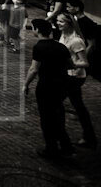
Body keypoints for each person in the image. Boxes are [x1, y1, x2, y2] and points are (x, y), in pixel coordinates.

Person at [26, 18, 73, 159]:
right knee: (58, 114)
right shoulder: (61, 46)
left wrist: (26, 84)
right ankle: (66, 146)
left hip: (46, 86)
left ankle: (51, 148)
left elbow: (34, 69)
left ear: (37, 30)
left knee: (46, 118)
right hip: (61, 85)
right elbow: (70, 65)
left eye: (33, 28)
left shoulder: (39, 47)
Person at [56, 13, 96, 148]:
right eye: (57, 21)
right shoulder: (63, 36)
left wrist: (71, 65)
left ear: (69, 23)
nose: (58, 24)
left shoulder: (76, 41)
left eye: (61, 22)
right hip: (68, 75)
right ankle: (89, 136)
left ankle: (61, 138)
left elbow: (85, 63)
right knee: (78, 106)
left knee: (56, 103)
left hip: (75, 77)